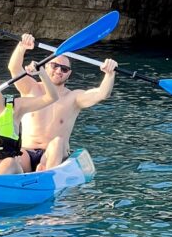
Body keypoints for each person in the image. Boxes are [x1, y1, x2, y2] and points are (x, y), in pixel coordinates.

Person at [7, 34, 118, 172]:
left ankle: (46, 174)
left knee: (57, 142)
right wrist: (22, 46)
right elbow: (14, 68)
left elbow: (102, 93)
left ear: (69, 74)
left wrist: (109, 74)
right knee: (16, 155)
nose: (59, 71)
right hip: (27, 151)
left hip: (56, 154)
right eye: (55, 66)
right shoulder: (31, 87)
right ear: (46, 66)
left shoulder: (74, 97)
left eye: (64, 69)